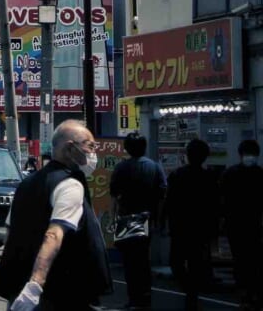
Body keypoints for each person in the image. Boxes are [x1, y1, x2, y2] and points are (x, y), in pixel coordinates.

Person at [0, 120, 112, 310]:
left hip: (20, 287)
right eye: (90, 146)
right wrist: (35, 284)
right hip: (61, 290)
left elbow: (11, 232)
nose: (93, 153)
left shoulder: (27, 184)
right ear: (70, 149)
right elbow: (54, 234)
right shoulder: (70, 185)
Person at [110, 132, 167, 310]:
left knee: (130, 261)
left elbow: (114, 196)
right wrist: (159, 218)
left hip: (127, 218)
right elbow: (162, 195)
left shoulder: (121, 168)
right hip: (147, 218)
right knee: (143, 259)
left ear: (126, 148)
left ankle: (134, 298)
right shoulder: (155, 167)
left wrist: (113, 219)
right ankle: (145, 296)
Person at [166, 139, 217, 311]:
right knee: (196, 263)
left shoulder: (177, 175)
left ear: (187, 155)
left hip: (180, 228)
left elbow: (169, 201)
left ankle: (190, 292)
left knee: (176, 263)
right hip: (201, 229)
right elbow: (215, 205)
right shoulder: (210, 177)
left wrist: (164, 222)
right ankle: (192, 294)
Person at [221, 139, 263, 309]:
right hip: (253, 223)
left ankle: (245, 293)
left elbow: (222, 199)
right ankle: (253, 292)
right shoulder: (260, 174)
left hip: (236, 223)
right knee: (253, 258)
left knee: (240, 259)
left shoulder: (231, 173)